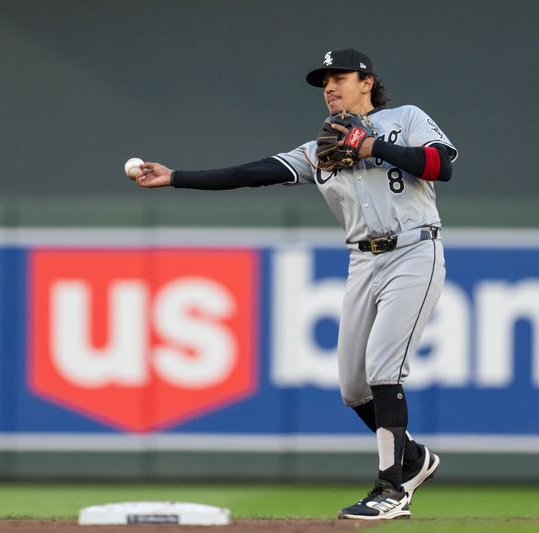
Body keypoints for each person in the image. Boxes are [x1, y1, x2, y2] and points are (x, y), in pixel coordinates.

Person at [129, 48, 457, 520]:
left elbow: (441, 166)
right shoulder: (318, 149)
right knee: (353, 388)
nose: (329, 87)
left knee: (385, 370)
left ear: (366, 82)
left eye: (339, 77)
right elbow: (248, 174)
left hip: (414, 250)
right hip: (362, 261)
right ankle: (413, 457)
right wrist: (176, 177)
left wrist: (374, 148)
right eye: (324, 81)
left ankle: (391, 489)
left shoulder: (406, 119)